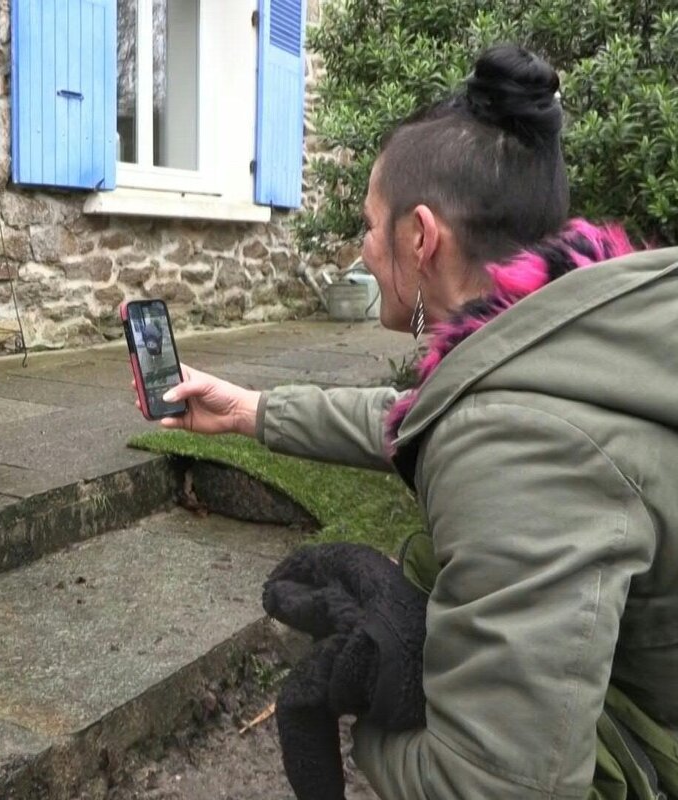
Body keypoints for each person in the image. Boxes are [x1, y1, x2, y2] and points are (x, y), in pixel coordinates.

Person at [141, 44, 678, 798]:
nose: (361, 248)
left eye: (368, 225)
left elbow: (494, 789)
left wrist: (385, 705)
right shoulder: (580, 337)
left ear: (420, 237)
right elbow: (418, 415)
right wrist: (253, 412)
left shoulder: (516, 447)